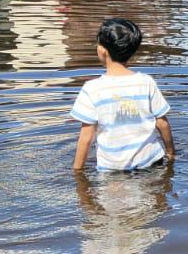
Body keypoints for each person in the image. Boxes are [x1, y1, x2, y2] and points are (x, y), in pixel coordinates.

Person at [71, 18, 175, 171]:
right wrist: (171, 153)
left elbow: (86, 137)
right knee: (154, 193)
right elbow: (162, 123)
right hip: (152, 161)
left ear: (101, 50)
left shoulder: (92, 89)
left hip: (113, 169)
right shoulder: (146, 82)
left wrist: (77, 171)